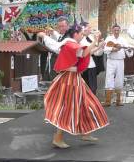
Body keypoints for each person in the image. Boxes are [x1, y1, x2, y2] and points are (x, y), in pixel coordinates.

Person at [43, 21, 109, 149]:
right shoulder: (70, 44)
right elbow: (83, 53)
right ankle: (58, 138)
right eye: (81, 34)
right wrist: (95, 42)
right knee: (68, 107)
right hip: (69, 80)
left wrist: (97, 44)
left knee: (85, 104)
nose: (82, 36)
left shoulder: (73, 44)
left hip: (74, 79)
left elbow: (84, 53)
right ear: (75, 34)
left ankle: (85, 132)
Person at [103, 24, 134, 107]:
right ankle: (108, 100)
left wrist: (130, 49)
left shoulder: (123, 40)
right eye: (115, 30)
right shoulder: (109, 38)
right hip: (111, 61)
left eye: (118, 30)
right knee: (109, 78)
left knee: (119, 79)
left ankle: (118, 100)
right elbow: (105, 50)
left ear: (120, 31)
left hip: (120, 61)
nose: (116, 31)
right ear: (112, 30)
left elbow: (129, 53)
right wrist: (113, 49)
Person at [79, 17, 105, 94]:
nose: (90, 30)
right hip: (85, 67)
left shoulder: (89, 38)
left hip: (92, 65)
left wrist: (100, 45)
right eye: (89, 27)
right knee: (87, 89)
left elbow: (97, 53)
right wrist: (99, 45)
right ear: (83, 29)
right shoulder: (81, 40)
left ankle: (92, 105)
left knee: (93, 88)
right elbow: (87, 53)